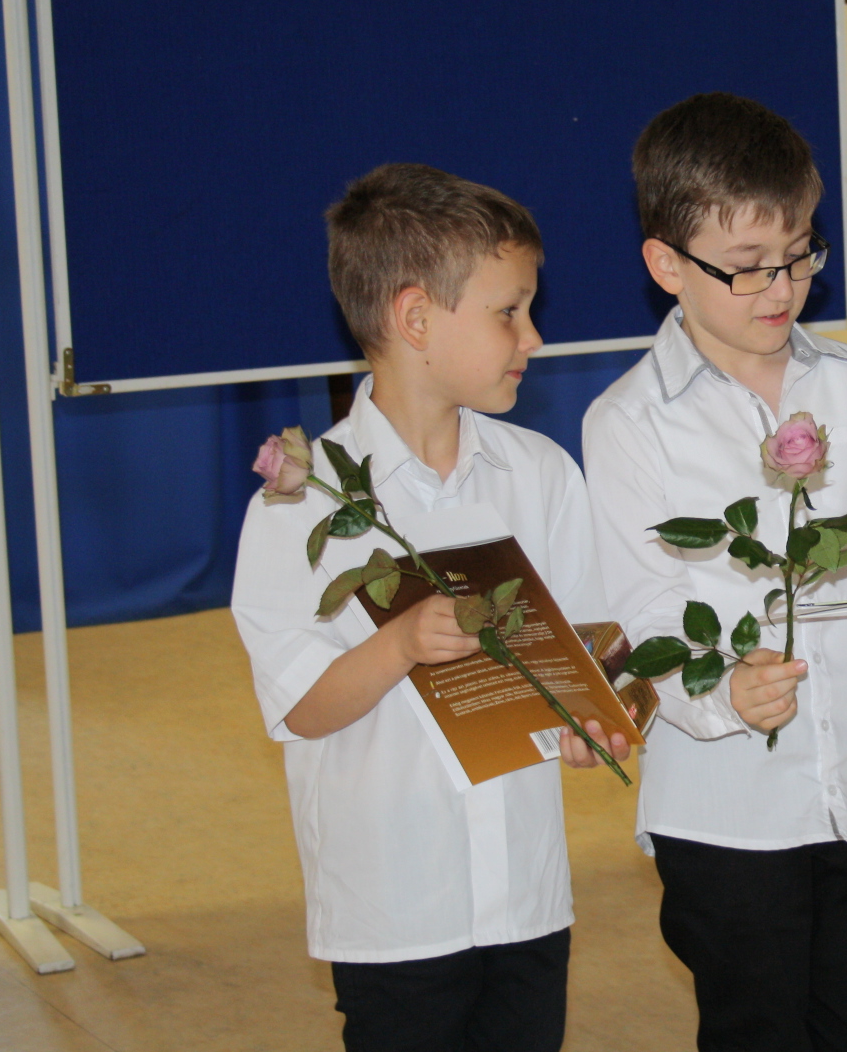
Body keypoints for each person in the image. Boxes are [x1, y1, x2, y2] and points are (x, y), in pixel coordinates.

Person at [582, 93, 847, 1052]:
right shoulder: (629, 423)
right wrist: (724, 692)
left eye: (802, 254)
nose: (781, 287)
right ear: (666, 266)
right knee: (755, 1028)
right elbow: (645, 617)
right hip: (727, 810)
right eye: (748, 265)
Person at [230, 163, 629, 1052]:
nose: (533, 336)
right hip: (395, 911)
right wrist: (401, 642)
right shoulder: (301, 504)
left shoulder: (539, 473)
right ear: (414, 319)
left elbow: (590, 646)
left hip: (525, 896)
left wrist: (595, 718)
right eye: (508, 312)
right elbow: (301, 707)